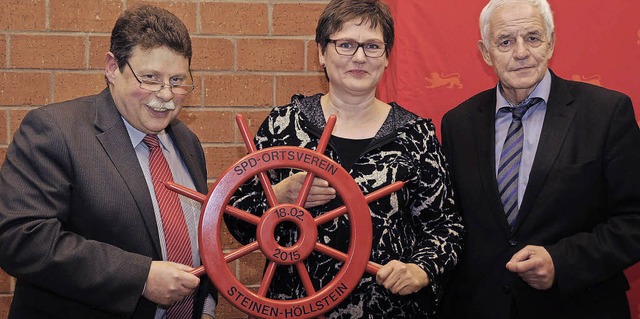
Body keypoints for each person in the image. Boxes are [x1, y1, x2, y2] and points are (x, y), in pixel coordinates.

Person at [224, 0, 464, 318]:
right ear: (322, 53)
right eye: (346, 44)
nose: (360, 57)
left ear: (387, 56)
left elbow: (445, 226)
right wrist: (279, 197)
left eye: (372, 46)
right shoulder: (285, 125)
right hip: (298, 308)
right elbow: (236, 217)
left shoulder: (415, 135)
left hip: (389, 308)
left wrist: (419, 270)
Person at [0, 5, 216, 319]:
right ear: (112, 68)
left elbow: (197, 239)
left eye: (178, 80)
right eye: (151, 78)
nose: (166, 95)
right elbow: (20, 238)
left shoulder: (187, 143)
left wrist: (205, 308)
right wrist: (139, 277)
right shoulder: (55, 131)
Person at [440, 0, 640, 318]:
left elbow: (633, 220)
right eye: (505, 41)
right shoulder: (457, 123)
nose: (521, 52)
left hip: (578, 305)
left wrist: (562, 261)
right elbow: (450, 221)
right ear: (486, 52)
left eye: (533, 37)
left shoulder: (607, 113)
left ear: (551, 42)